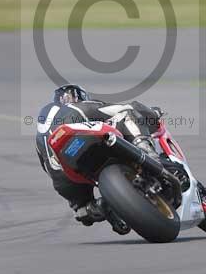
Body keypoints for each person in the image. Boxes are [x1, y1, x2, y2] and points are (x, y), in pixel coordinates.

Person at [35, 84, 163, 228]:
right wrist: (152, 114)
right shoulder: (77, 107)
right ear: (80, 97)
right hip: (77, 129)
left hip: (61, 173)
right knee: (126, 112)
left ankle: (95, 208)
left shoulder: (40, 134)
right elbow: (123, 107)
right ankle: (145, 148)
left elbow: (46, 167)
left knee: (83, 211)